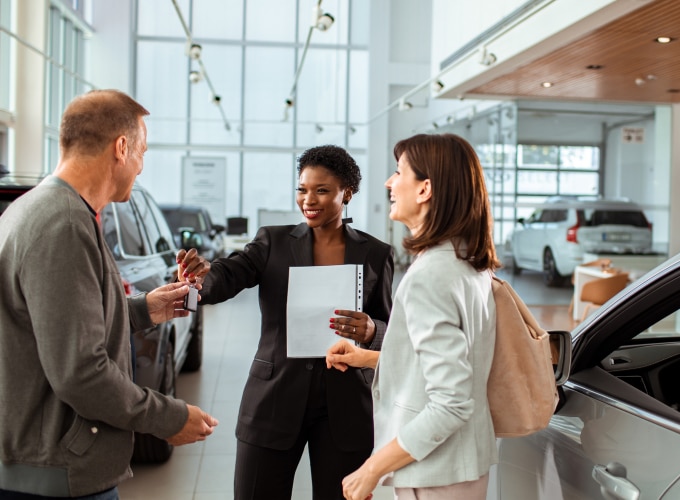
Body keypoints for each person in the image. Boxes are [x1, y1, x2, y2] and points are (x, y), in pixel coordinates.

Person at [0, 89, 218, 499]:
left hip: (47, 467)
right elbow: (80, 372)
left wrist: (140, 311)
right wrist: (168, 417)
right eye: (142, 152)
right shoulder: (63, 224)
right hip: (58, 475)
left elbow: (57, 322)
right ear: (121, 148)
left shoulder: (36, 209)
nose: (140, 167)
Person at [177, 145, 394, 499]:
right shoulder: (272, 242)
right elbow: (228, 275)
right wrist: (201, 280)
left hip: (345, 405)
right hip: (274, 397)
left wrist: (371, 330)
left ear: (347, 193)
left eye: (322, 190)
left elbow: (388, 328)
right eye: (302, 189)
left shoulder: (376, 253)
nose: (309, 199)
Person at [326, 133, 501, 500]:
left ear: (425, 189)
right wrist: (373, 358)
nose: (390, 183)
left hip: (436, 473)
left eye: (398, 172)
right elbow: (451, 366)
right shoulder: (465, 262)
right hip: (460, 467)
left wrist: (372, 468)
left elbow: (451, 402)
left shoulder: (430, 276)